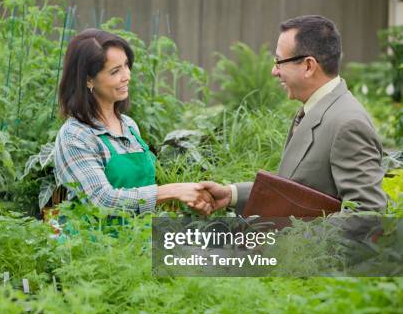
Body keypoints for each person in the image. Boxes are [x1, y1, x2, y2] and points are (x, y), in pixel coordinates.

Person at [196, 15, 388, 214]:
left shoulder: (348, 124)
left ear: (308, 66)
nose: (274, 71)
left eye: (279, 61)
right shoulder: (315, 110)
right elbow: (296, 189)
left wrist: (297, 238)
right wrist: (231, 194)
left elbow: (368, 213)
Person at [54, 28, 214, 214]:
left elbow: (142, 195)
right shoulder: (75, 135)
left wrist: (191, 200)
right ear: (89, 80)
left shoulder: (128, 126)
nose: (127, 76)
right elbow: (101, 200)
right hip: (96, 240)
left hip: (140, 236)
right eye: (115, 71)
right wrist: (173, 191)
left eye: (126, 65)